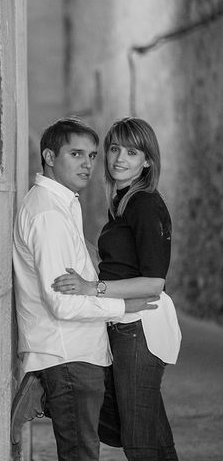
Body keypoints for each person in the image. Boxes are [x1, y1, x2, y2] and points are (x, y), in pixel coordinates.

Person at [11, 117, 159, 460]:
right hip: (67, 355)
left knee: (97, 440)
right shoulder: (48, 215)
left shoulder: (63, 204)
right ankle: (44, 391)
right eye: (76, 154)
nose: (88, 164)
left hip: (77, 354)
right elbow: (63, 305)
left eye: (92, 155)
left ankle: (43, 394)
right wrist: (124, 307)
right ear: (49, 156)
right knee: (81, 454)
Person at [51, 117, 181, 460]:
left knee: (138, 439)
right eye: (114, 149)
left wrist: (92, 287)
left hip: (141, 328)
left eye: (132, 152)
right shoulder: (123, 203)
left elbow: (155, 281)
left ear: (147, 161)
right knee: (152, 435)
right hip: (127, 326)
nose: (119, 158)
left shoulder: (145, 204)